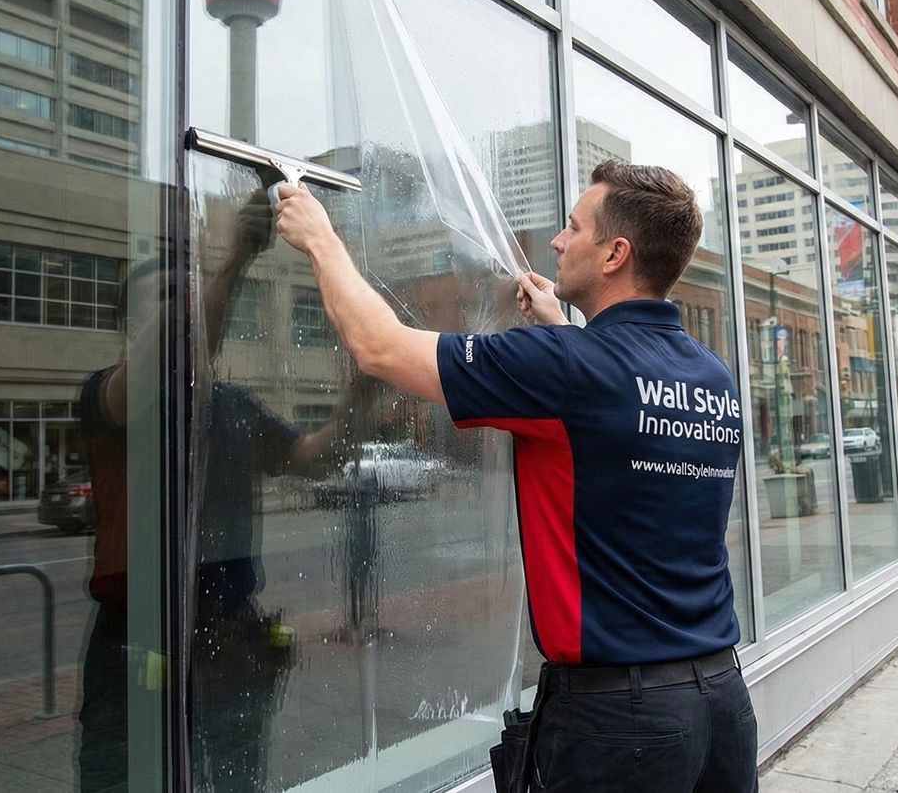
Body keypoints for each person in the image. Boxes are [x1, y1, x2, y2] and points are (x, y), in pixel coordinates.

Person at [274, 158, 756, 792]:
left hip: (621, 724)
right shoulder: (711, 376)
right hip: (720, 702)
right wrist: (559, 326)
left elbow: (380, 347)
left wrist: (319, 236)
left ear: (614, 254)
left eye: (573, 227)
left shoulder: (567, 369)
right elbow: (615, 425)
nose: (557, 241)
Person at [75, 191, 375, 792]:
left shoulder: (232, 405)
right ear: (129, 327)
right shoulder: (109, 396)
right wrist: (233, 258)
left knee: (238, 776)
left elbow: (312, 459)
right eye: (166, 300)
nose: (186, 307)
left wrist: (365, 387)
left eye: (188, 295)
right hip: (139, 635)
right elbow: (172, 358)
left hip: (230, 629)